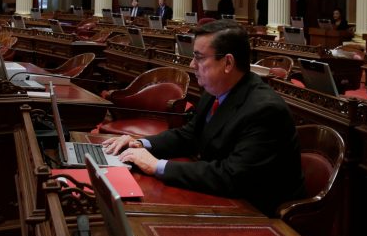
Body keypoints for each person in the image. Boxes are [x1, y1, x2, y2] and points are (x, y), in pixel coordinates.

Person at [102, 20, 306, 216]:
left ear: (228, 62)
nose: (192, 64)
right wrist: (141, 144)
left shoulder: (265, 110)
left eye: (199, 57)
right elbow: (189, 135)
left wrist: (157, 166)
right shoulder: (215, 91)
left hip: (258, 215)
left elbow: (232, 176)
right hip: (222, 199)